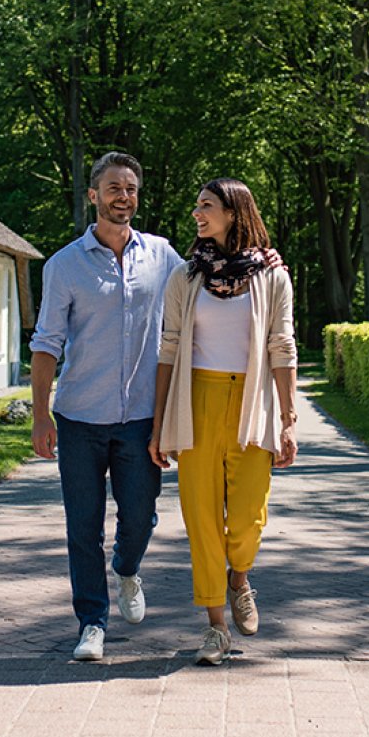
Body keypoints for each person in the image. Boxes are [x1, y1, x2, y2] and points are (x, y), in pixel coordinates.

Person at [30, 152, 185, 661]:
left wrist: (261, 260)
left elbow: (207, 288)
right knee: (83, 526)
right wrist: (40, 414)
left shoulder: (164, 257)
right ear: (93, 195)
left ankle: (126, 569)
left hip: (142, 417)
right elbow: (47, 342)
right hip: (79, 417)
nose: (125, 197)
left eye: (132, 188)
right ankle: (91, 624)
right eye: (114, 188)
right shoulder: (64, 265)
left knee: (140, 516)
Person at [150, 178, 298, 666]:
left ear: (234, 213)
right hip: (197, 403)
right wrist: (159, 424)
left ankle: (240, 578)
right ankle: (215, 627)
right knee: (201, 518)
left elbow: (282, 347)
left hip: (252, 402)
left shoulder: (272, 277)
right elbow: (169, 347)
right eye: (197, 205)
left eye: (207, 206)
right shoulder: (185, 278)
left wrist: (289, 419)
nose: (197, 213)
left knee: (248, 520)